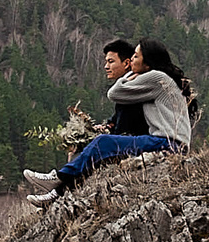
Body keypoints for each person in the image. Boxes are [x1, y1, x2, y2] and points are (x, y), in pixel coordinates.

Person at [23, 38, 197, 205]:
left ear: (147, 62)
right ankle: (58, 190)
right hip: (168, 142)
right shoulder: (160, 79)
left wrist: (129, 76)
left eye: (136, 56)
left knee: (103, 143)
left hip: (167, 144)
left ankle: (58, 179)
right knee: (99, 148)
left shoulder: (156, 77)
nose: (132, 60)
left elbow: (114, 93)